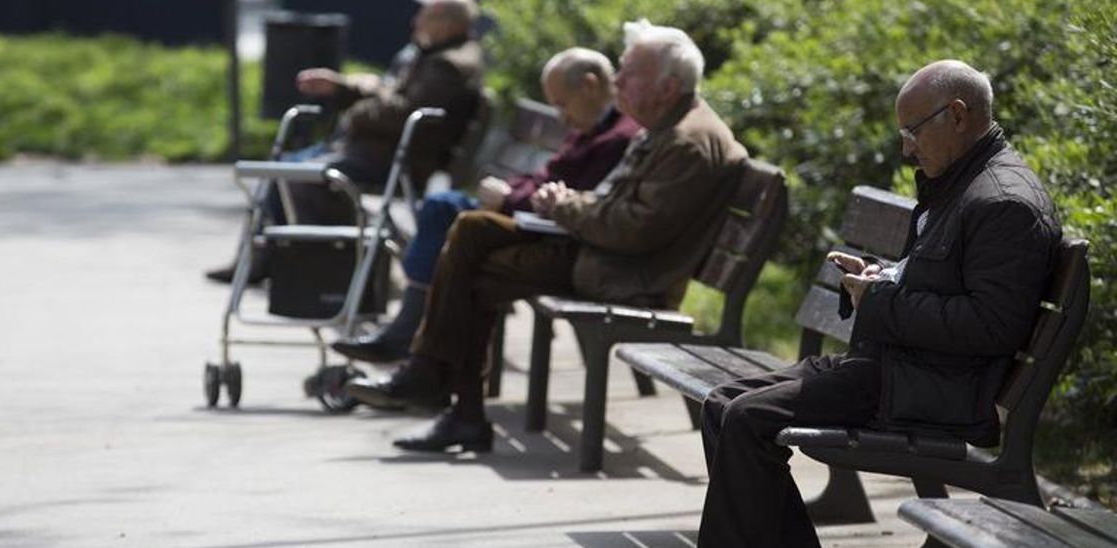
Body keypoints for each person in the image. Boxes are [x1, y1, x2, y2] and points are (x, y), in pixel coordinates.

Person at [695, 60, 1061, 548]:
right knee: (722, 404)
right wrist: (879, 275)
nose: (906, 147)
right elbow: (939, 281)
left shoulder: (1003, 202)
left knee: (747, 419)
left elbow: (991, 325)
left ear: (956, 114)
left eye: (913, 131)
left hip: (928, 388)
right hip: (893, 367)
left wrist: (882, 299)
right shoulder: (960, 181)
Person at [346, 20, 750, 451]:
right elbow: (619, 211)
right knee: (472, 242)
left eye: (628, 73)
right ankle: (444, 393)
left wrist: (564, 204)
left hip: (626, 273)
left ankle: (438, 386)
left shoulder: (687, 141)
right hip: (606, 256)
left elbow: (632, 231)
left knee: (472, 240)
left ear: (667, 86)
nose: (617, 82)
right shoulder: (669, 124)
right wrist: (569, 202)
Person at [330, 47, 642, 363]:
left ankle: (414, 345)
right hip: (528, 218)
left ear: (589, 85)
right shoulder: (592, 128)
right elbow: (544, 177)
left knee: (449, 217)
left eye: (562, 104)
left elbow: (567, 197)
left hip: (548, 235)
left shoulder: (615, 137)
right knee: (445, 212)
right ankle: (415, 345)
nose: (561, 117)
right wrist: (509, 192)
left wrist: (508, 197)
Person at [206, 0, 485, 284]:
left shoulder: (448, 65)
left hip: (392, 159)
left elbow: (404, 112)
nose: (416, 22)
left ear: (448, 24)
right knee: (281, 168)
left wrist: (355, 112)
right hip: (375, 149)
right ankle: (263, 259)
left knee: (296, 176)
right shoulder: (434, 55)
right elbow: (390, 92)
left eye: (424, 17)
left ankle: (321, 270)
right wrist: (343, 87)